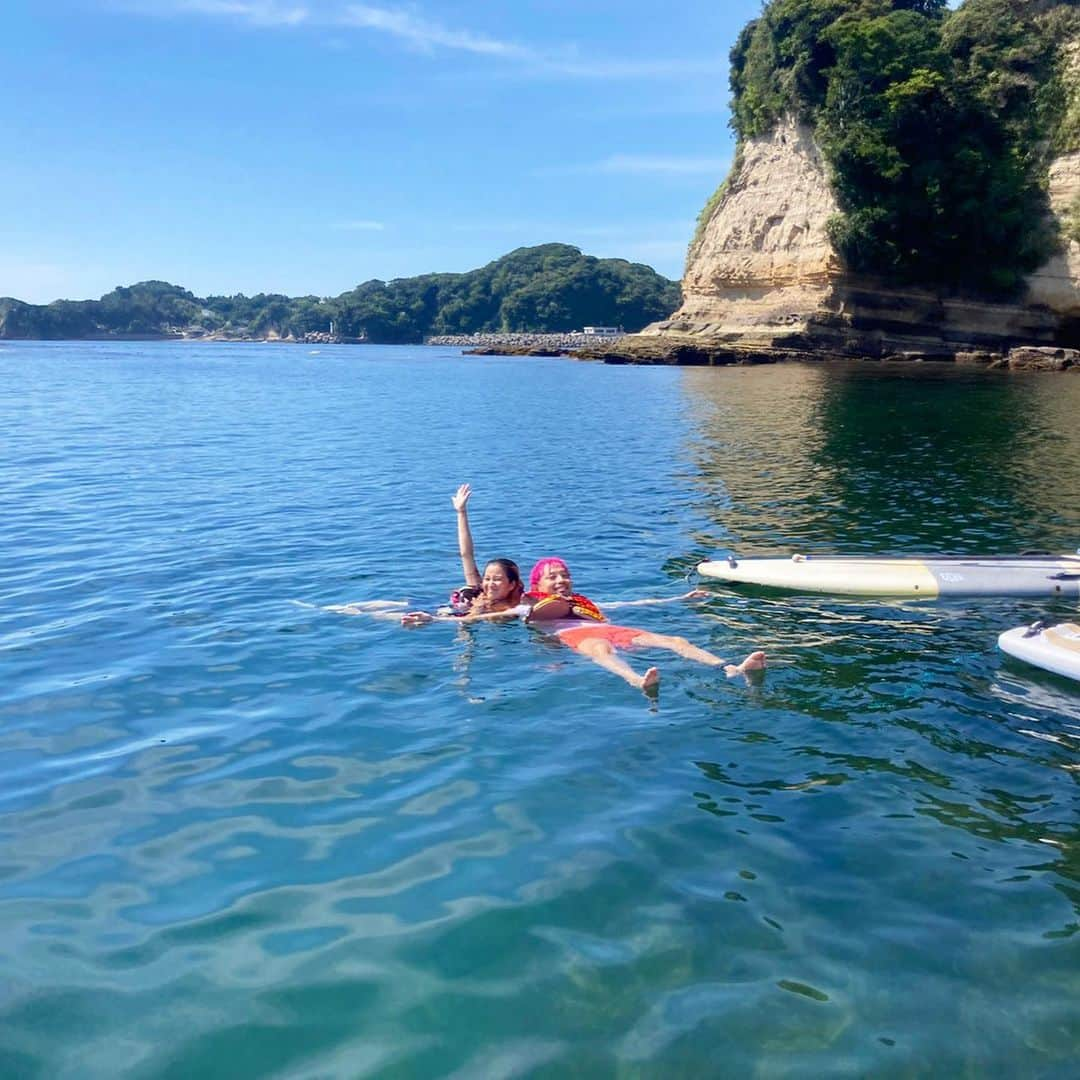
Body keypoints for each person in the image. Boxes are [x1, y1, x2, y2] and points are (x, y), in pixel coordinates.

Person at [524, 557, 766, 694]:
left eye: (564, 575)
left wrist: (680, 598)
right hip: (576, 636)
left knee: (675, 641)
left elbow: (632, 603)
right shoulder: (529, 607)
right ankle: (636, 680)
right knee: (600, 649)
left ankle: (729, 667)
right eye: (552, 576)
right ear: (537, 585)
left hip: (612, 629)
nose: (561, 580)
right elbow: (499, 615)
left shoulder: (585, 603)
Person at [401, 484, 523, 626]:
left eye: (497, 579)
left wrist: (432, 620)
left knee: (382, 616)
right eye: (487, 578)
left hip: (437, 616)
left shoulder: (510, 609)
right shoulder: (478, 591)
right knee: (375, 606)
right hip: (434, 607)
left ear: (511, 585)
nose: (490, 584)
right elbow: (466, 554)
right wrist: (461, 512)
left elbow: (469, 620)